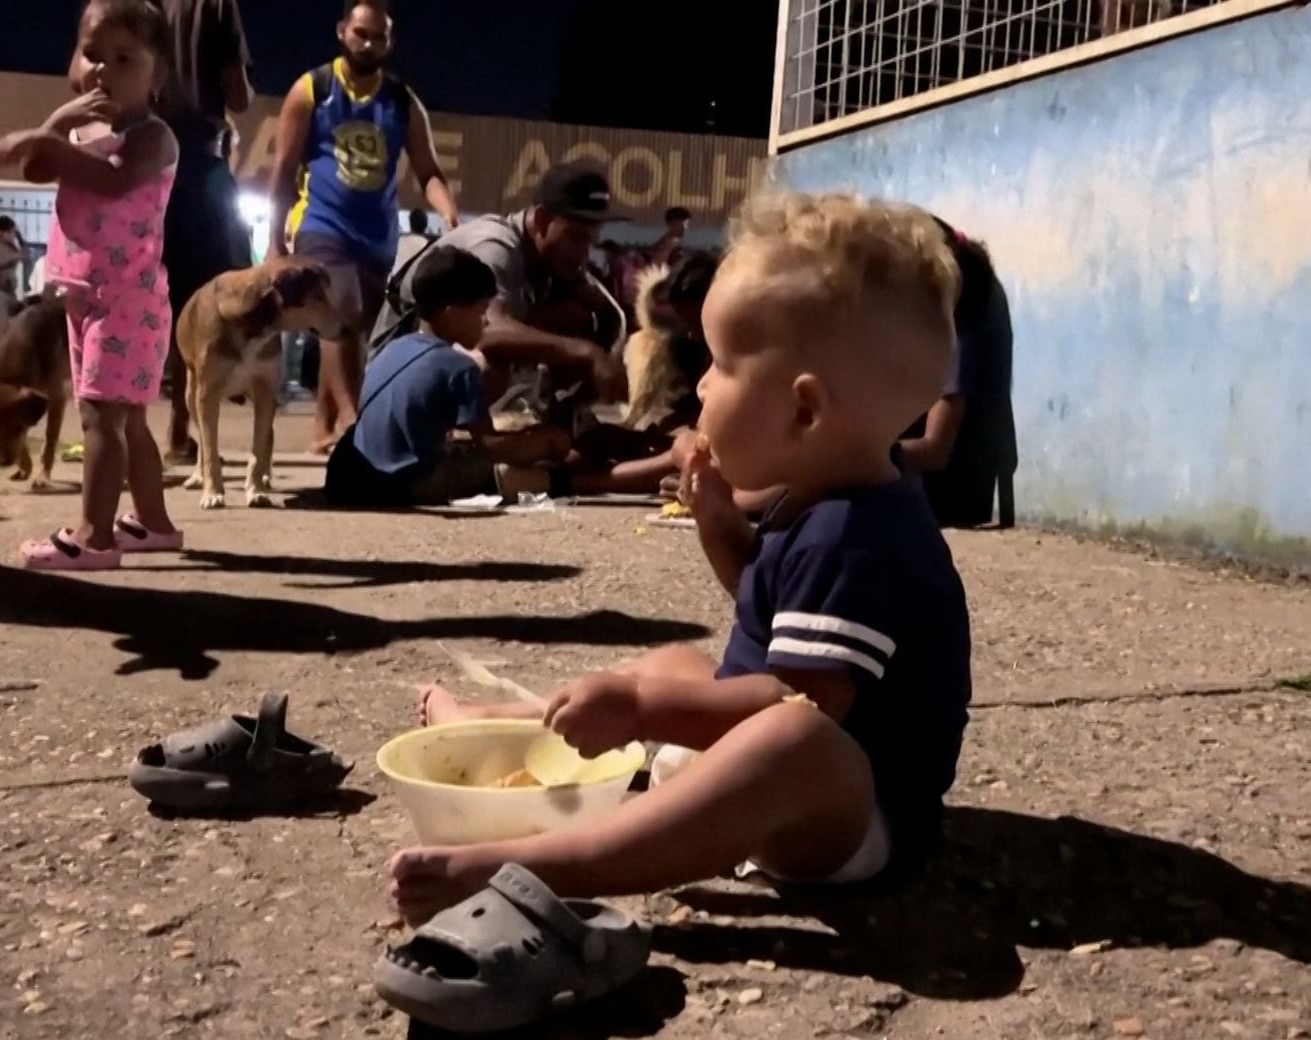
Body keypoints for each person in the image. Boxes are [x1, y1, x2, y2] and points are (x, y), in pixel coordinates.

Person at [388, 191, 972, 925]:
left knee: (779, 733)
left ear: (804, 411)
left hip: (844, 816)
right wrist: (718, 521)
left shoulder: (858, 537)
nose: (698, 386)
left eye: (721, 366)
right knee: (672, 663)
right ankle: (522, 728)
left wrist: (640, 709)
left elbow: (796, 704)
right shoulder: (824, 493)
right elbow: (768, 609)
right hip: (759, 761)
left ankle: (550, 867)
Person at [0, 0, 184, 571]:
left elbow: (109, 180)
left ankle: (95, 536)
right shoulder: (83, 130)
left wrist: (37, 139)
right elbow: (36, 170)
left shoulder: (152, 138)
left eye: (124, 58)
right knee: (128, 421)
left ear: (158, 76)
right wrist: (55, 127)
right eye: (93, 55)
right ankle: (153, 523)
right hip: (88, 297)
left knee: (101, 420)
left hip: (125, 302)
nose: (103, 70)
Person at [268, 0, 461, 453]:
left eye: (378, 36)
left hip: (376, 236)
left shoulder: (401, 100)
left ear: (389, 41)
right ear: (342, 32)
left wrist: (449, 213)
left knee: (353, 332)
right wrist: (276, 240)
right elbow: (282, 169)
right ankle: (357, 428)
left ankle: (322, 429)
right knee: (341, 312)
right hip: (320, 223)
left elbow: (429, 169)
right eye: (361, 33)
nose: (369, 43)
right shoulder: (311, 89)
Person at [325, 247, 570, 507]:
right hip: (399, 485)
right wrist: (543, 442)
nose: (487, 322)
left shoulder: (393, 348)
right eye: (481, 311)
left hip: (349, 476)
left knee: (459, 451)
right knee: (513, 473)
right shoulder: (458, 368)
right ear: (452, 313)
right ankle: (579, 481)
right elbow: (491, 446)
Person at [373, 162, 626, 409]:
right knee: (489, 366)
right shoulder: (495, 246)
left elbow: (609, 316)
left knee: (576, 318)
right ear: (540, 220)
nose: (583, 254)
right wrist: (583, 351)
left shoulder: (555, 259)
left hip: (440, 354)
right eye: (576, 238)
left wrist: (605, 343)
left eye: (591, 241)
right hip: (397, 366)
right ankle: (449, 438)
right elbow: (486, 332)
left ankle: (563, 417)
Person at [152, 0, 256, 465]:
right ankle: (181, 425)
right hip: (199, 162)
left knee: (144, 293)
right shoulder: (214, 4)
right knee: (201, 298)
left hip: (142, 157)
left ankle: (122, 431)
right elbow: (238, 97)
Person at [898, 223, 1017, 528]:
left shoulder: (958, 327)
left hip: (953, 495)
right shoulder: (969, 294)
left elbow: (935, 450)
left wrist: (855, 456)